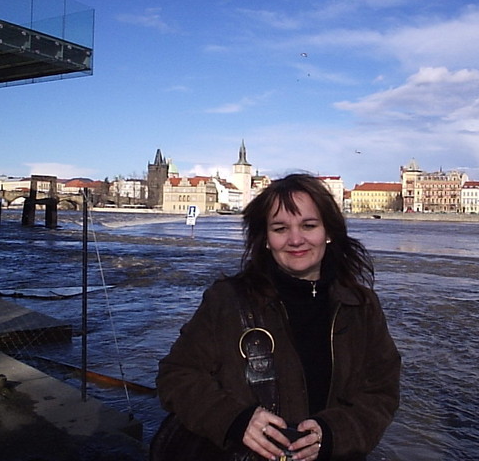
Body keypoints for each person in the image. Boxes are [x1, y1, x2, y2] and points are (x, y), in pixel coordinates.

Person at [156, 173, 401, 460]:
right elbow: (176, 376)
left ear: (328, 232)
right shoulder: (228, 301)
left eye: (309, 225)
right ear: (266, 239)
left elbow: (381, 393)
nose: (295, 240)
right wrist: (234, 421)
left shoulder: (361, 306)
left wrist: (334, 433)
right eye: (280, 228)